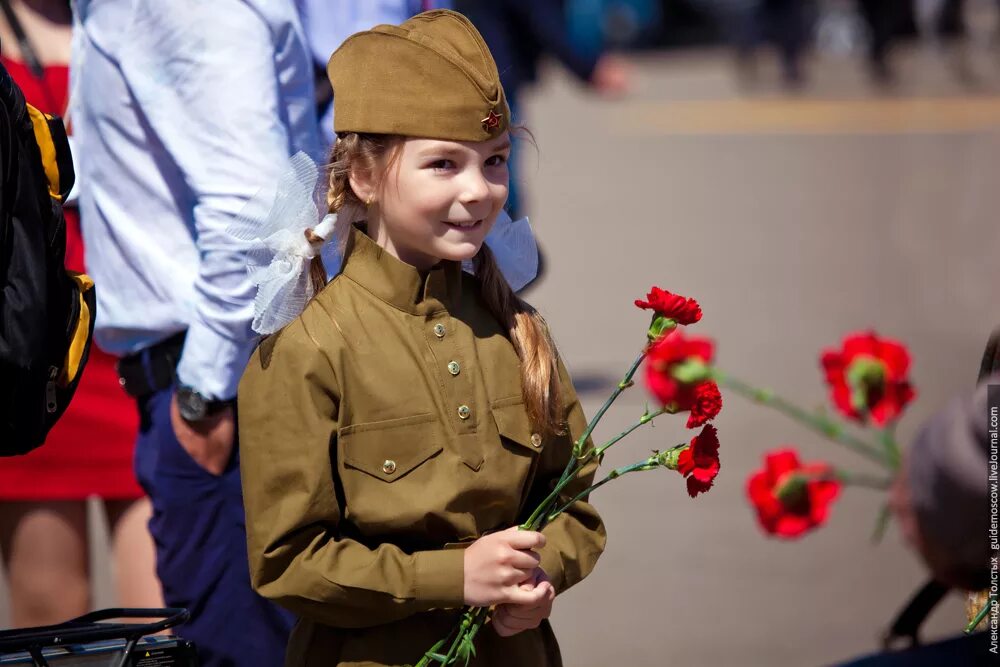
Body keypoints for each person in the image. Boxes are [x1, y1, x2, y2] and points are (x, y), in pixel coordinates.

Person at [238, 10, 607, 665]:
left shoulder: (516, 328)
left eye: (495, 162)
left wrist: (541, 573)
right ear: (364, 177)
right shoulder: (311, 347)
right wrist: (455, 577)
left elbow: (573, 502)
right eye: (443, 163)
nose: (480, 191)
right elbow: (287, 560)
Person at [70, 0, 322, 663]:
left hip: (221, 384)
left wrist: (202, 395)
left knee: (231, 648)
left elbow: (253, 210)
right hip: (217, 374)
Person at [0, 0, 162, 627]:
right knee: (51, 613)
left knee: (157, 618)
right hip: (36, 339)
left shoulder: (140, 18)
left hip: (134, 333)